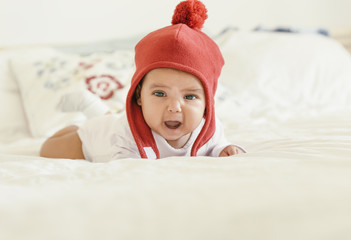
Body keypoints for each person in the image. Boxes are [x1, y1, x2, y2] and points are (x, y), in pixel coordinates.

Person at [40, 0, 246, 162]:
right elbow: (127, 171)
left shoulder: (210, 129)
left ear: (207, 104)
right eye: (160, 94)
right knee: (48, 149)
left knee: (112, 119)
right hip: (96, 138)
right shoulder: (126, 136)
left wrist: (224, 150)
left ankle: (95, 107)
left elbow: (215, 146)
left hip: (115, 123)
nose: (174, 107)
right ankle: (86, 109)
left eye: (190, 96)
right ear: (139, 96)